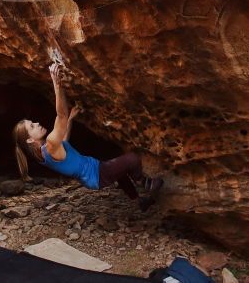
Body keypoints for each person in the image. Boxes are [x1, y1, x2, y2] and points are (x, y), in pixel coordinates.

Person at [13, 63, 163, 211]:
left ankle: (138, 201)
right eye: (32, 126)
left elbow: (64, 142)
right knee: (132, 158)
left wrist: (70, 120)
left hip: (92, 175)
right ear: (30, 140)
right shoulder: (50, 144)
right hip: (96, 174)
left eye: (33, 122)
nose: (37, 123)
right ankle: (145, 182)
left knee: (120, 170)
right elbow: (61, 115)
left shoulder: (46, 152)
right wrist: (57, 84)